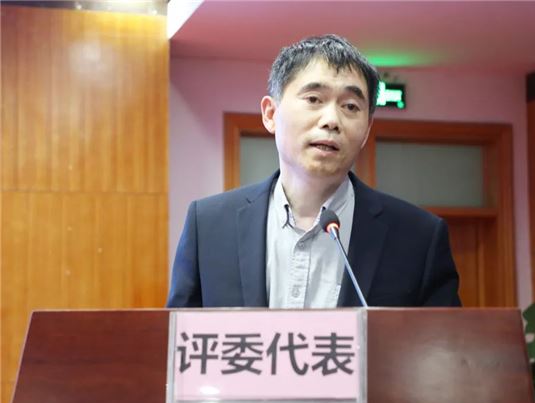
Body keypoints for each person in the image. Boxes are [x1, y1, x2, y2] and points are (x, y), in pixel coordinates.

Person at [167, 34, 461, 308]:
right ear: (270, 114)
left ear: (367, 129)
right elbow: (175, 338)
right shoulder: (209, 226)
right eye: (313, 99)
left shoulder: (419, 238)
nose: (332, 120)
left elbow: (444, 343)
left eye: (350, 106)